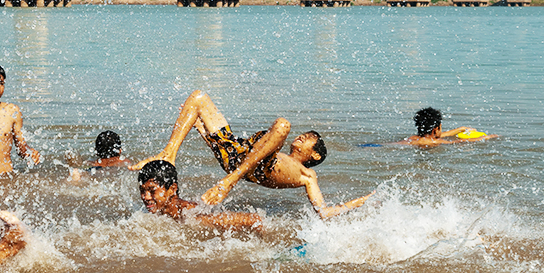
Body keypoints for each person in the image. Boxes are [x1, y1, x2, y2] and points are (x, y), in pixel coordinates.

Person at [133, 90, 373, 219]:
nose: (303, 136)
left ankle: (230, 181)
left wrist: (363, 201)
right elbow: (241, 152)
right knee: (198, 98)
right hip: (240, 155)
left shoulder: (307, 174)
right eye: (305, 134)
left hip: (244, 169)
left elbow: (325, 212)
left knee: (282, 124)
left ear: (316, 156)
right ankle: (169, 153)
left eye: (310, 138)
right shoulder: (271, 147)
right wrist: (204, 132)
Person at [138, 159, 262, 231]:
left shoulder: (191, 215)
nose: (145, 197)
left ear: (172, 189)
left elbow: (254, 220)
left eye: (152, 190)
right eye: (142, 190)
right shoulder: (162, 213)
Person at [398, 107, 496, 148]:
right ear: (436, 129)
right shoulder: (435, 142)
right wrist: (485, 137)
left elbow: (440, 135)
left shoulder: (414, 138)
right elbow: (458, 142)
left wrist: (460, 129)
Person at [67, 130, 133, 181]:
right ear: (120, 150)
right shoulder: (126, 162)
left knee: (76, 171)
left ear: (96, 152)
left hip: (95, 171)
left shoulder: (91, 163)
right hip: (116, 172)